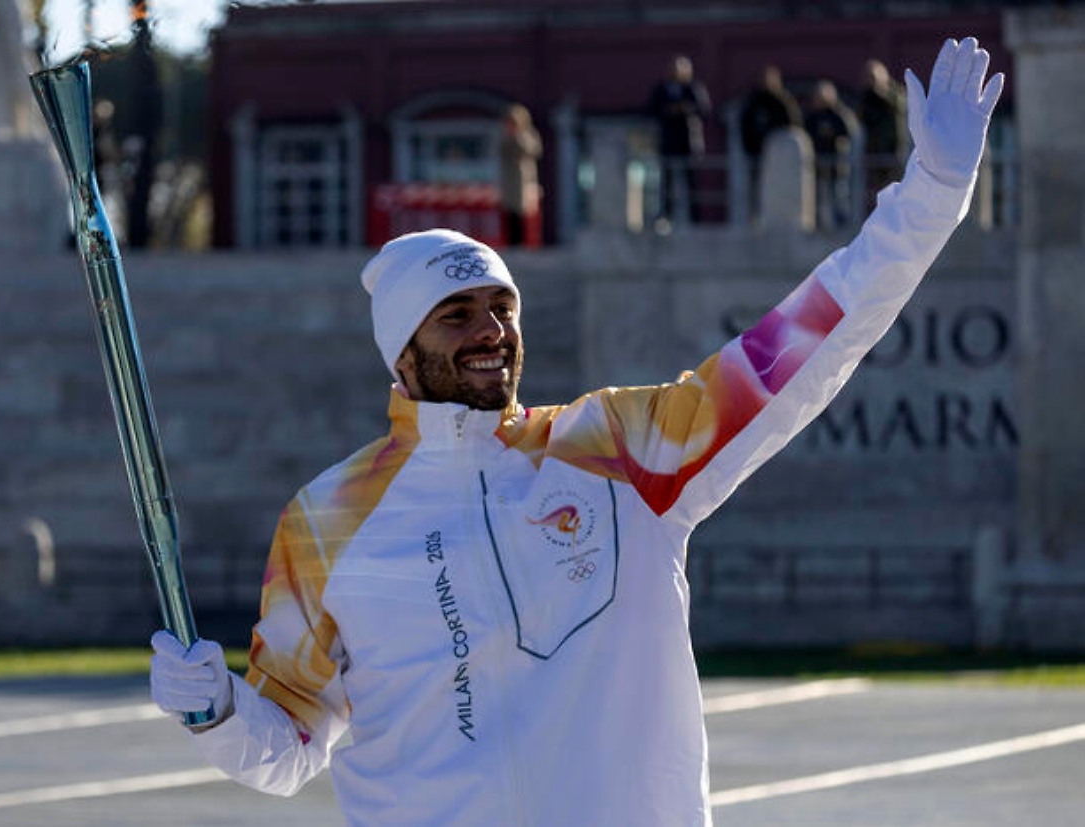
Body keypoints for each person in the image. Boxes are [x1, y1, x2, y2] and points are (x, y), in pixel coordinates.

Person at [150, 38, 1002, 827]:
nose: (491, 331)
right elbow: (291, 742)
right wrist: (218, 712)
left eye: (502, 308)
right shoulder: (328, 518)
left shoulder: (619, 451)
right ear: (403, 352)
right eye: (457, 315)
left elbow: (795, 347)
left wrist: (926, 202)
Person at [648, 55, 711, 229]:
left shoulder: (694, 88)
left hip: (689, 143)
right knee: (666, 181)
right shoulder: (661, 90)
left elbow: (704, 110)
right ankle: (665, 217)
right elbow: (651, 110)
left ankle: (695, 219)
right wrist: (669, 110)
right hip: (669, 142)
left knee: (691, 182)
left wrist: (686, 109)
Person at [739, 64, 803, 219]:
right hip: (756, 154)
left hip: (779, 161)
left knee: (778, 190)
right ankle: (754, 217)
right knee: (755, 187)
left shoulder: (783, 101)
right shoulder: (754, 101)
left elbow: (794, 123)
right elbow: (745, 125)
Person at [804, 80, 860, 228]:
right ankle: (817, 225)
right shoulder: (811, 118)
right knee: (816, 196)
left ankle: (842, 225)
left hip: (837, 165)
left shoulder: (839, 116)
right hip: (817, 165)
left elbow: (849, 135)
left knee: (839, 195)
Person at [859, 58, 909, 201]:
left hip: (893, 151)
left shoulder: (895, 93)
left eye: (873, 77)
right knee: (875, 193)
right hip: (874, 152)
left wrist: (882, 92)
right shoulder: (867, 97)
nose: (871, 81)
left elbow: (900, 108)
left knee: (895, 190)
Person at [498, 104, 543, 248]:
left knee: (523, 211)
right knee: (510, 211)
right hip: (509, 180)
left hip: (524, 179)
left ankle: (525, 243)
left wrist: (518, 136)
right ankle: (512, 243)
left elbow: (533, 151)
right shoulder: (505, 137)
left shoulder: (527, 136)